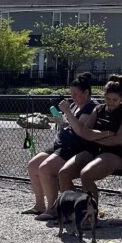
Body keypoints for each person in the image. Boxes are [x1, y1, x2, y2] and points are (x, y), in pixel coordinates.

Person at [57, 75, 122, 212]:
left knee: (86, 174)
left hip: (114, 154)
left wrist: (95, 136)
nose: (110, 103)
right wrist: (105, 134)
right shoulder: (98, 109)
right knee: (64, 173)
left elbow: (119, 140)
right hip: (93, 150)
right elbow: (85, 132)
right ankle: (73, 209)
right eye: (108, 99)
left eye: (115, 100)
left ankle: (91, 213)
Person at [23, 72, 96, 219]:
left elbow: (80, 131)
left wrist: (67, 112)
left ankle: (53, 209)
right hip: (62, 144)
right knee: (33, 165)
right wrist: (61, 120)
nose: (73, 97)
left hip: (76, 147)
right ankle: (39, 205)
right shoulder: (76, 105)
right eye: (71, 93)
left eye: (76, 93)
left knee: (45, 168)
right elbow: (69, 125)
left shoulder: (91, 108)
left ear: (86, 92)